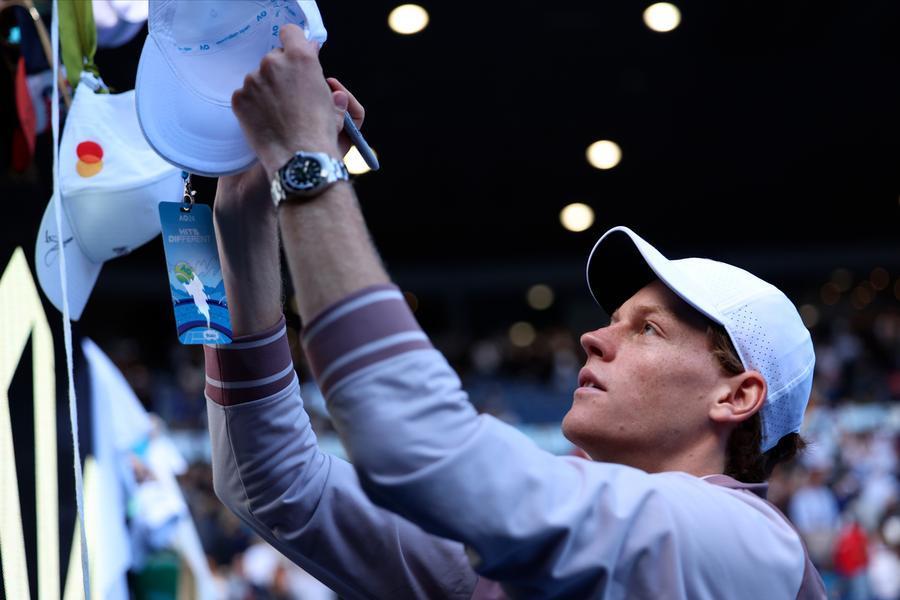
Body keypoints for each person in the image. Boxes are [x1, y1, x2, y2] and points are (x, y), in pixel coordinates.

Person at [203, 24, 827, 599]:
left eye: (649, 329)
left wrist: (307, 161)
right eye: (613, 321)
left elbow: (415, 441)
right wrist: (243, 220)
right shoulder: (512, 543)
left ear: (737, 396)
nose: (592, 339)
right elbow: (275, 485)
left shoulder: (749, 545)